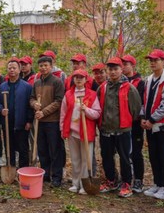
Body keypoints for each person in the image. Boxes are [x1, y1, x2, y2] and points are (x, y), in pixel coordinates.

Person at [97, 58, 142, 197]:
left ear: (121, 69)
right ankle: (111, 180)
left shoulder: (129, 88)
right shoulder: (103, 87)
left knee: (125, 157)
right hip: (106, 129)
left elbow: (135, 109)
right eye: (110, 69)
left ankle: (126, 183)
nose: (113, 72)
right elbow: (98, 105)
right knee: (107, 157)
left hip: (123, 129)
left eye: (116, 69)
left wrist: (125, 120)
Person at [141, 49, 164, 200]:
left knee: (163, 155)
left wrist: (151, 119)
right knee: (153, 155)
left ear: (163, 61)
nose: (153, 63)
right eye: (151, 60)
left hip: (163, 125)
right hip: (149, 124)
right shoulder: (149, 79)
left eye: (156, 60)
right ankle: (157, 183)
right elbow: (145, 100)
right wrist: (143, 117)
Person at [60, 69, 101, 194]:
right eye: (76, 77)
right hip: (72, 131)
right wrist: (62, 128)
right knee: (75, 159)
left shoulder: (92, 94)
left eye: (81, 77)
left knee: (85, 159)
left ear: (86, 79)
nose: (78, 79)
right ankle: (75, 183)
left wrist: (86, 109)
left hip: (86, 131)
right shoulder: (68, 94)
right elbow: (63, 113)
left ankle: (85, 185)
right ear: (73, 79)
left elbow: (97, 113)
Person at [30, 56, 65, 187]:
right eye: (41, 66)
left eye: (46, 65)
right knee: (42, 149)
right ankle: (46, 173)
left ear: (51, 66)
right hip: (40, 122)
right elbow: (32, 98)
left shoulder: (57, 82)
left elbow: (58, 101)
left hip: (53, 121)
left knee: (55, 150)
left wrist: (44, 112)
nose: (43, 68)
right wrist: (34, 104)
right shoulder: (37, 83)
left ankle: (57, 177)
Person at [0, 60, 33, 168]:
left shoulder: (27, 87)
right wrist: (1, 110)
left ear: (19, 70)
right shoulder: (2, 87)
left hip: (21, 122)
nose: (12, 70)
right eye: (10, 68)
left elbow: (30, 105)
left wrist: (29, 120)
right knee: (8, 146)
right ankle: (10, 166)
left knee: (23, 147)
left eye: (14, 68)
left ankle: (23, 169)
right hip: (7, 122)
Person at [121, 54, 146, 193]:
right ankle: (126, 179)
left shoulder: (140, 82)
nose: (124, 67)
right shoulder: (118, 81)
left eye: (126, 64)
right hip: (122, 123)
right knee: (124, 152)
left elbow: (141, 102)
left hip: (135, 123)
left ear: (133, 66)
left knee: (136, 152)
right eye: (122, 64)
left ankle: (138, 179)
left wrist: (140, 117)